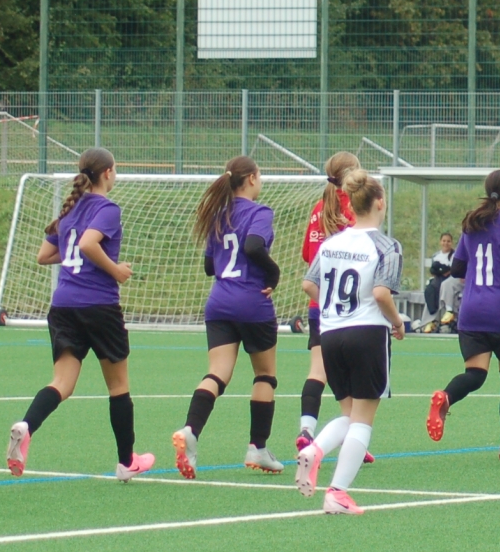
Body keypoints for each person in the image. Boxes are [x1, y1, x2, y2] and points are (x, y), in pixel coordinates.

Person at [6, 148, 155, 481]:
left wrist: (75, 255)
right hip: (98, 306)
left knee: (61, 383)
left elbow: (44, 255)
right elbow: (87, 244)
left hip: (63, 306)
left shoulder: (70, 208)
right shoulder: (107, 208)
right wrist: (116, 270)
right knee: (118, 386)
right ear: (107, 173)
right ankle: (126, 462)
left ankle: (26, 426)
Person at [294, 170, 404, 514]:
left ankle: (314, 449)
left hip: (330, 335)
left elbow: (308, 285)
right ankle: (337, 492)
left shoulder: (331, 243)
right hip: (367, 333)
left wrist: (335, 306)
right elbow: (381, 293)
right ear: (380, 203)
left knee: (349, 412)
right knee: (363, 419)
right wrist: (397, 321)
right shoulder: (386, 246)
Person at [173, 156, 283, 479]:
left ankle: (191, 430)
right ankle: (257, 447)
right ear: (251, 179)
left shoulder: (218, 214)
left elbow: (210, 266)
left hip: (219, 304)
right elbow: (253, 246)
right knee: (265, 375)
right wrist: (273, 273)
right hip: (252, 303)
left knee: (217, 373)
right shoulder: (260, 212)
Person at [427, 169, 500, 459]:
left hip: (473, 312)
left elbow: (457, 268)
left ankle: (447, 396)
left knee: (475, 374)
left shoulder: (473, 224)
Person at [296, 152, 359, 455]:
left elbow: (306, 255)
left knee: (318, 372)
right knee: (354, 377)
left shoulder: (318, 208)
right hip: (349, 308)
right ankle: (354, 439)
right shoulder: (354, 207)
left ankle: (306, 430)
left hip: (318, 305)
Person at [423, 233, 456, 328]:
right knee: (430, 290)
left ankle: (448, 312)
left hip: (450, 279)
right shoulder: (436, 255)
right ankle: (430, 319)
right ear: (440, 242)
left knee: (443, 285)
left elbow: (451, 271)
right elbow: (433, 271)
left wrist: (443, 270)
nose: (446, 243)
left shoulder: (454, 255)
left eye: (448, 241)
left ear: (451, 243)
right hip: (438, 278)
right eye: (444, 241)